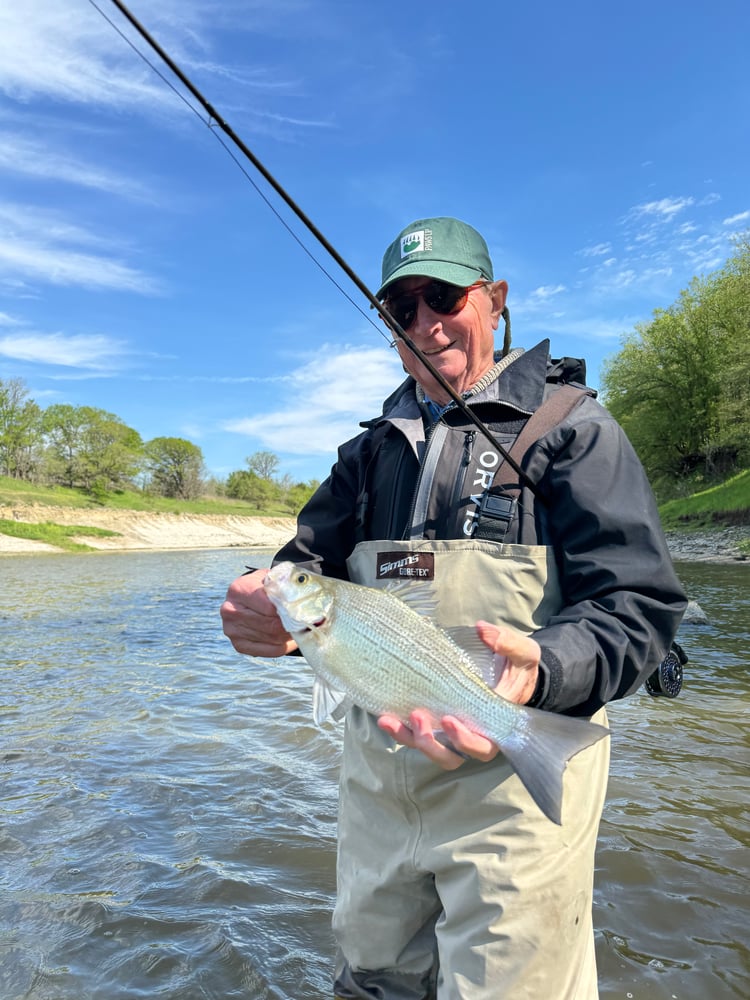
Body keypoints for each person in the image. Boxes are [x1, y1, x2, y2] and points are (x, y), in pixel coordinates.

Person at [220, 217, 687, 1000]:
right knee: (372, 978)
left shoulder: (573, 431)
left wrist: (547, 671)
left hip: (514, 788)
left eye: (443, 296)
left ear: (495, 302)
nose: (426, 324)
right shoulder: (365, 454)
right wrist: (261, 611)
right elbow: (302, 571)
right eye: (402, 309)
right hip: (378, 787)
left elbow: (640, 606)